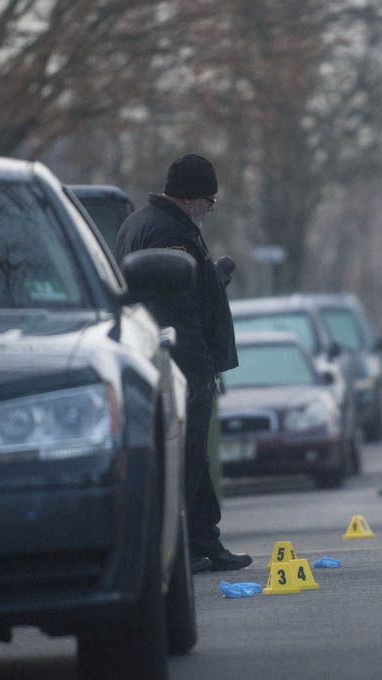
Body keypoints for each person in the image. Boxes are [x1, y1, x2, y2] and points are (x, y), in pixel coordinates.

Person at [115, 153, 251, 572]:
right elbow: (176, 308)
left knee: (194, 457)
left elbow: (186, 287)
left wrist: (215, 278)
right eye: (209, 202)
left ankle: (204, 540)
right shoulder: (169, 231)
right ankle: (179, 549)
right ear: (193, 198)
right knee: (186, 459)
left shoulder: (143, 223)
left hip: (164, 360)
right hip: (180, 364)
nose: (210, 210)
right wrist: (198, 368)